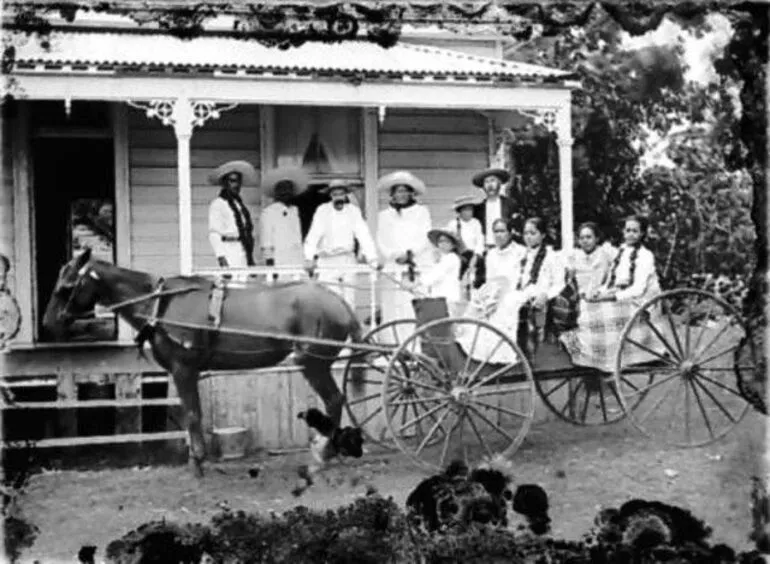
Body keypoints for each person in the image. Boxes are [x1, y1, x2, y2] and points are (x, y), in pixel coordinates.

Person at [560, 215, 662, 372]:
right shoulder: (622, 252)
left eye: (635, 231)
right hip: (622, 296)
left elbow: (638, 289)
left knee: (591, 315)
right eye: (628, 230)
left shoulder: (645, 256)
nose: (630, 234)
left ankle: (600, 357)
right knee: (586, 304)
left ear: (642, 233)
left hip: (640, 303)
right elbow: (610, 280)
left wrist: (611, 296)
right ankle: (586, 349)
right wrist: (598, 293)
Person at [458, 217, 564, 364]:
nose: (528, 237)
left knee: (509, 302)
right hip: (522, 292)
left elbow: (559, 284)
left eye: (533, 233)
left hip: (537, 293)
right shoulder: (524, 254)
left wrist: (545, 295)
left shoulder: (552, 256)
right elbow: (514, 280)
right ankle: (484, 347)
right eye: (526, 233)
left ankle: (505, 352)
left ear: (543, 235)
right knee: (490, 303)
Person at [304, 179, 379, 305]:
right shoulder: (323, 211)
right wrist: (309, 257)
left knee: (349, 298)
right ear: (331, 195)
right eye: (335, 194)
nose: (338, 197)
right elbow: (313, 235)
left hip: (347, 258)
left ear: (345, 195)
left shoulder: (353, 211)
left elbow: (363, 234)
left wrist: (372, 258)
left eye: (341, 194)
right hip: (327, 260)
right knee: (330, 298)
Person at [375, 171, 433, 331]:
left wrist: (409, 254)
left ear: (410, 192)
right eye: (397, 191)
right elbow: (381, 240)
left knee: (410, 304)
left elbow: (425, 237)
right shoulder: (384, 215)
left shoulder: (421, 212)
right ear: (392, 194)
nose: (401, 194)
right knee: (391, 305)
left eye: (404, 191)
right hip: (393, 266)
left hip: (415, 264)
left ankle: (413, 345)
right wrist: (394, 255)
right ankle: (391, 344)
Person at [207, 160, 258, 268]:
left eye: (238, 181)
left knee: (244, 283)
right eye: (232, 181)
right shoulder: (218, 204)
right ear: (225, 183)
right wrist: (221, 257)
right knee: (231, 283)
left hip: (243, 249)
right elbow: (214, 233)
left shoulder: (240, 205)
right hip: (228, 249)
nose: (236, 185)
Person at [260, 167, 310, 269]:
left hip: (297, 259)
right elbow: (266, 241)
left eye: (288, 189)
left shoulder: (295, 211)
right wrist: (270, 265)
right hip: (280, 260)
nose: (286, 192)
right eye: (282, 189)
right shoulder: (269, 212)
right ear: (276, 192)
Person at [413, 229, 463, 316]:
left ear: (453, 245)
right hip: (439, 299)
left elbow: (435, 275)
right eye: (440, 241)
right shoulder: (441, 259)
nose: (442, 244)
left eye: (446, 241)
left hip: (448, 300)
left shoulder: (451, 258)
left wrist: (417, 283)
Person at [445, 194, 485, 297]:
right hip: (459, 257)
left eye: (471, 210)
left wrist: (476, 256)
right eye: (466, 210)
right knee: (457, 282)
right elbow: (449, 242)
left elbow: (480, 240)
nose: (469, 212)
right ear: (460, 211)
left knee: (473, 281)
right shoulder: (453, 224)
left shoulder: (476, 223)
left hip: (473, 257)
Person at [568, 222, 615, 299]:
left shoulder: (606, 254)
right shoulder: (574, 257)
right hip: (580, 299)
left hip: (602, 297)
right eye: (582, 238)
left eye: (588, 237)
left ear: (597, 238)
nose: (585, 241)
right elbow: (570, 282)